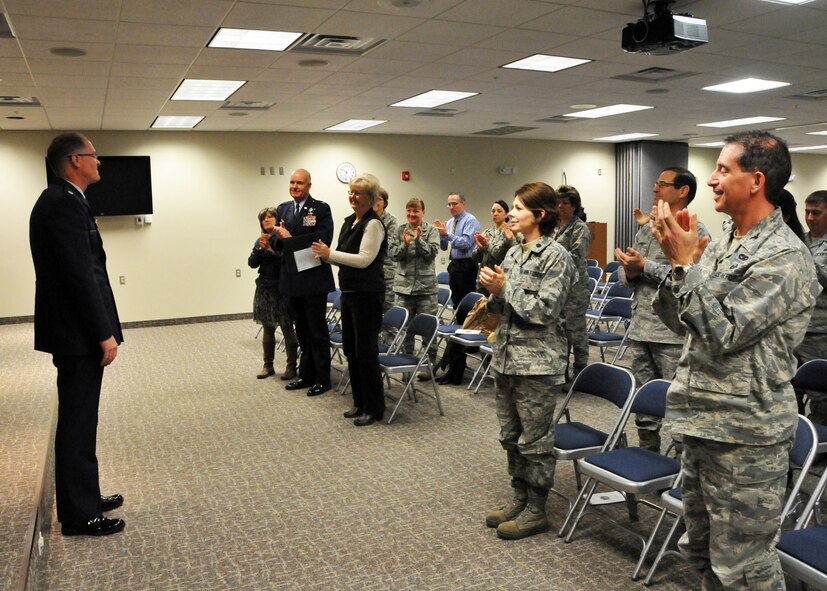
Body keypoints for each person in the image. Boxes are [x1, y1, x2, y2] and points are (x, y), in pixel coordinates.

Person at [651, 130, 819, 590]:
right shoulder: (726, 240)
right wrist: (676, 266)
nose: (711, 179)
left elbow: (723, 332)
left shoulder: (785, 256)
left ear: (756, 181)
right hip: (704, 420)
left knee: (744, 566)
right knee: (701, 549)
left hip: (747, 434)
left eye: (724, 169)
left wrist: (687, 267)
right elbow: (682, 322)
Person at [29, 132, 125, 536]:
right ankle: (77, 512)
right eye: (93, 155)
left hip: (73, 331)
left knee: (82, 419)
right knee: (78, 420)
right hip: (77, 334)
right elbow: (80, 276)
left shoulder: (65, 200)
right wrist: (102, 333)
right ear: (74, 160)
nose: (98, 161)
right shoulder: (62, 204)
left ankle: (85, 493)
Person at [479, 182, 575, 540]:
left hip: (536, 362)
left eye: (518, 208)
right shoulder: (514, 252)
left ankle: (537, 508)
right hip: (506, 356)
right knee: (510, 436)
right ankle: (519, 497)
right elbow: (505, 308)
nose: (511, 213)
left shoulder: (556, 257)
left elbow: (545, 310)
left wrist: (505, 289)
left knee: (535, 440)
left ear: (540, 214)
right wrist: (493, 294)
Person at [614, 167, 709, 453]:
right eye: (656, 184)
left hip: (671, 333)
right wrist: (631, 270)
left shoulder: (693, 231)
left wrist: (645, 267)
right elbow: (623, 277)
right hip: (641, 327)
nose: (655, 189)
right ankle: (648, 456)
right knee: (644, 404)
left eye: (662, 184)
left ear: (683, 191)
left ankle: (681, 468)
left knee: (679, 404)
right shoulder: (648, 228)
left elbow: (691, 280)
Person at [311, 174, 387, 426]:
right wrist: (326, 256)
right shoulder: (349, 222)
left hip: (368, 296)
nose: (352, 197)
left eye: (358, 193)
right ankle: (359, 402)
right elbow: (341, 256)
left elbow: (364, 259)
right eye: (351, 193)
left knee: (366, 353)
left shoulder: (373, 224)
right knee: (352, 351)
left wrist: (330, 254)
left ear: (371, 198)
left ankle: (374, 408)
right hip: (351, 294)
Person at [273, 168, 335, 397]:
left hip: (313, 279)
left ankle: (323, 378)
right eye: (292, 182)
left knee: (317, 331)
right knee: (302, 331)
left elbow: (321, 241)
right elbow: (274, 240)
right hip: (292, 279)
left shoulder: (320, 208)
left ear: (309, 185)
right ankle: (305, 374)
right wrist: (281, 239)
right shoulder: (283, 209)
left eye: (299, 183)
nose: (295, 186)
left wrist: (290, 239)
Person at [248, 207, 298, 380]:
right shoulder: (260, 240)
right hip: (264, 288)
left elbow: (288, 261)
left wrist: (271, 250)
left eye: (271, 217)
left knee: (287, 328)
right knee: (268, 328)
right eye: (264, 218)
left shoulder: (283, 239)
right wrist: (260, 249)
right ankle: (267, 365)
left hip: (282, 288)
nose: (267, 220)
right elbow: (252, 264)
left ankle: (292, 366)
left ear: (277, 220)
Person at [551, 185, 592, 387]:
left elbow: (576, 257)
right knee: (560, 330)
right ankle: (562, 370)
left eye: (565, 203)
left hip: (575, 288)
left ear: (574, 206)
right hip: (558, 286)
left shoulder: (579, 228)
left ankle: (581, 372)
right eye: (558, 202)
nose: (560, 206)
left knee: (576, 331)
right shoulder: (555, 227)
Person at [391, 197, 440, 362]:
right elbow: (393, 256)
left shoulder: (431, 231)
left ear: (423, 212)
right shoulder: (399, 231)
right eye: (409, 211)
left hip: (426, 289)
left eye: (416, 211)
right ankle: (406, 363)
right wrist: (404, 245)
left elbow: (432, 253)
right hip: (404, 289)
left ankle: (429, 364)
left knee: (428, 328)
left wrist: (419, 240)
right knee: (405, 330)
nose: (412, 214)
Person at [797, 190, 827, 422]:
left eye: (816, 212)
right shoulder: (801, 240)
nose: (810, 218)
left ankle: (820, 448)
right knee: (790, 387)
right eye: (807, 212)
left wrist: (806, 259)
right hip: (795, 327)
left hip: (819, 331)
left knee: (820, 393)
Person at [434, 192, 481, 309]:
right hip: (454, 264)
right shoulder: (450, 223)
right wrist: (441, 236)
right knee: (456, 301)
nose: (451, 207)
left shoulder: (470, 220)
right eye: (449, 204)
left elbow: (466, 243)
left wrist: (448, 234)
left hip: (467, 265)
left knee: (466, 302)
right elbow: (444, 247)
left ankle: (464, 325)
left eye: (454, 204)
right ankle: (456, 325)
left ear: (463, 203)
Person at [472, 199, 519, 296]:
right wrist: (480, 248)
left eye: (499, 211)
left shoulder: (510, 233)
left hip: (499, 278)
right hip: (483, 278)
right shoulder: (486, 233)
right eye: (493, 211)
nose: (495, 213)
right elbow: (474, 257)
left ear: (506, 214)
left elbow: (500, 256)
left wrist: (486, 246)